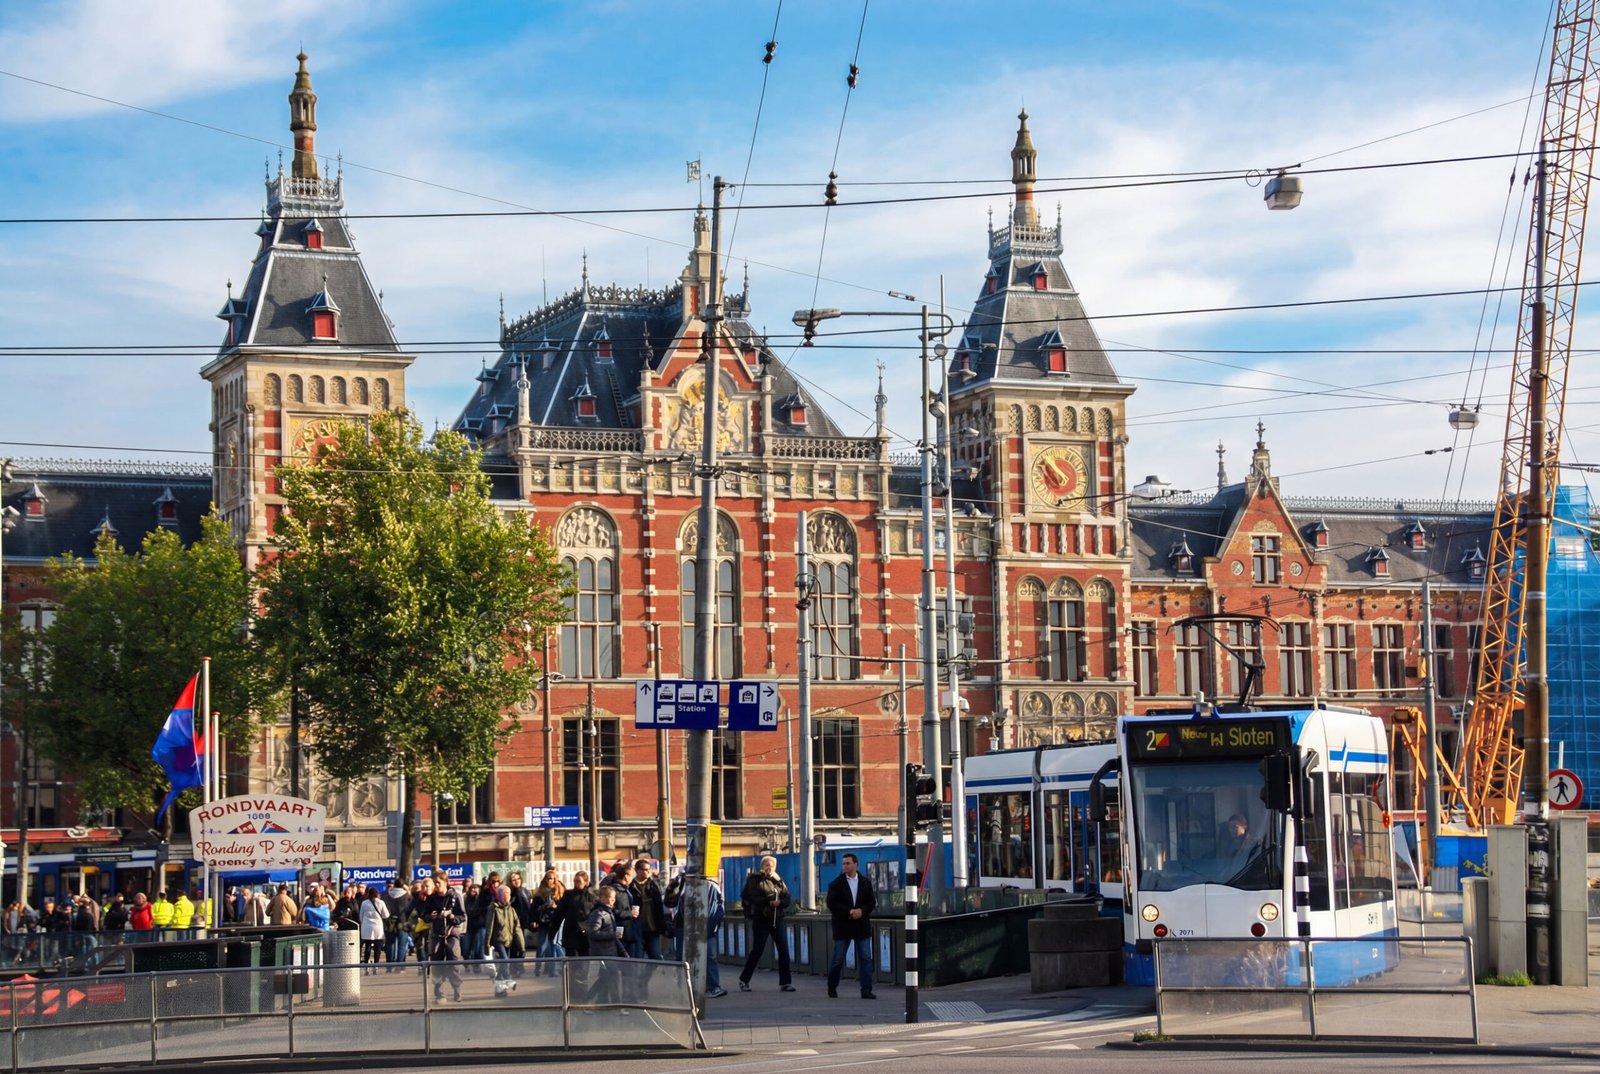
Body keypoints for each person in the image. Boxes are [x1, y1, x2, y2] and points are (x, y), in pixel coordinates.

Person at [738, 856, 795, 993]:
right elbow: (752, 897)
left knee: (783, 949)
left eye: (772, 866)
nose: (770, 868)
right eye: (767, 865)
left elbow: (787, 897)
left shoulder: (778, 880)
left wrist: (780, 903)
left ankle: (785, 982)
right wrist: (768, 901)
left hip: (777, 917)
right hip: (761, 917)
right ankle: (744, 980)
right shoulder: (755, 879)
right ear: (762, 866)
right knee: (757, 949)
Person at [825, 853, 877, 999]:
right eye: (844, 863)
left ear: (855, 864)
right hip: (843, 925)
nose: (845, 866)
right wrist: (849, 911)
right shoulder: (836, 884)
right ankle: (832, 987)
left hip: (861, 925)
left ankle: (866, 989)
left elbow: (871, 902)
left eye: (848, 863)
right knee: (838, 958)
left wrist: (861, 911)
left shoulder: (865, 882)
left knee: (866, 958)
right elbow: (832, 904)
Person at [668, 872, 727, 997]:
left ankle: (706, 987)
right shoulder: (681, 884)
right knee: (703, 957)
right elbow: (670, 902)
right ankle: (696, 987)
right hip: (688, 926)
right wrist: (671, 888)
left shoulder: (710, 885)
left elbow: (716, 909)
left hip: (696, 927)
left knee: (700, 957)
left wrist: (709, 929)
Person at [422, 877, 464, 1002]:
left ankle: (457, 988)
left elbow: (463, 916)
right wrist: (430, 916)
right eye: (435, 883)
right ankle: (439, 991)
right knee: (436, 962)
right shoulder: (431, 898)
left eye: (438, 882)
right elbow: (424, 915)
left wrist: (453, 917)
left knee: (453, 959)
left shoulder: (455, 896)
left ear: (445, 882)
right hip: (437, 934)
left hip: (452, 933)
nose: (436, 885)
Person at [486, 885, 525, 995]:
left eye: (509, 894)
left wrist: (522, 946)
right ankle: (509, 980)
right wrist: (486, 945)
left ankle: (499, 989)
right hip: (498, 940)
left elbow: (517, 928)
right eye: (505, 894)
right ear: (499, 896)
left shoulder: (511, 910)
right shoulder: (493, 909)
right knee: (505, 960)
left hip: (509, 940)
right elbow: (489, 927)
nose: (508, 896)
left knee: (503, 964)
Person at [530, 869, 567, 972]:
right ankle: (538, 968)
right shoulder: (540, 893)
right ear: (545, 879)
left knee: (554, 945)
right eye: (549, 878)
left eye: (553, 878)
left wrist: (556, 906)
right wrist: (534, 920)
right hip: (543, 922)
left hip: (556, 922)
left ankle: (552, 969)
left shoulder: (560, 892)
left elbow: (564, 907)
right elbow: (533, 909)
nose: (551, 881)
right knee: (542, 946)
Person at [600, 862, 639, 957]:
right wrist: (629, 913)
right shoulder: (614, 891)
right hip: (620, 931)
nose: (633, 878)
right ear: (626, 876)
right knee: (621, 961)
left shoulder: (628, 889)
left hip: (630, 931)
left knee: (631, 961)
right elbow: (611, 910)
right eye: (631, 875)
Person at [632, 858, 668, 960]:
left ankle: (646, 976)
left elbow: (660, 907)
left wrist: (663, 926)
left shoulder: (654, 885)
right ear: (637, 870)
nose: (648, 872)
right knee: (637, 959)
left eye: (649, 869)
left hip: (653, 928)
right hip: (637, 929)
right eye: (645, 869)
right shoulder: (631, 887)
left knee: (656, 958)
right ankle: (640, 976)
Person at [558, 871, 596, 958]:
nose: (576, 883)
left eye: (578, 881)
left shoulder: (592, 895)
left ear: (586, 882)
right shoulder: (569, 895)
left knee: (584, 962)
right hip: (571, 933)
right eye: (575, 881)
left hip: (585, 934)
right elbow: (560, 913)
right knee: (572, 962)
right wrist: (552, 931)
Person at [358, 885, 389, 971]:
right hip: (377, 927)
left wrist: (364, 922)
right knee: (377, 947)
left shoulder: (364, 903)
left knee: (367, 946)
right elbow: (386, 915)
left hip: (366, 927)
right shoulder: (381, 902)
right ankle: (376, 965)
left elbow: (361, 916)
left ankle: (366, 965)